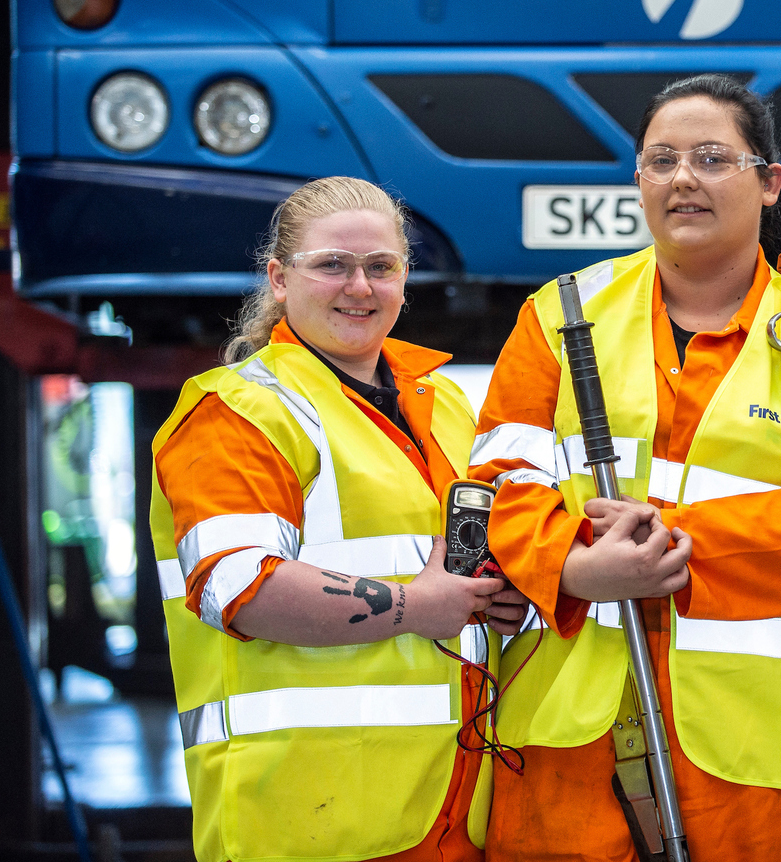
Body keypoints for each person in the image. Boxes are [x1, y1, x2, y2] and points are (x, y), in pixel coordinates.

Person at [471, 75, 781, 862]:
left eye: (713, 158)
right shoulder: (559, 316)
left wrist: (662, 549)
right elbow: (499, 482)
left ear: (770, 182)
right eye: (661, 160)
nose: (683, 178)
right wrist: (576, 567)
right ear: (637, 179)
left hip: (774, 766)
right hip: (569, 746)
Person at [148, 176, 529, 862]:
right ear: (280, 278)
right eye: (332, 265)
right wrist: (421, 605)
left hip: (452, 813)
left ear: (405, 279)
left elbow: (459, 560)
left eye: (381, 266)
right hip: (304, 823)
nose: (360, 285)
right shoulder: (233, 412)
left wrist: (494, 599)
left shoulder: (444, 404)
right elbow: (238, 588)